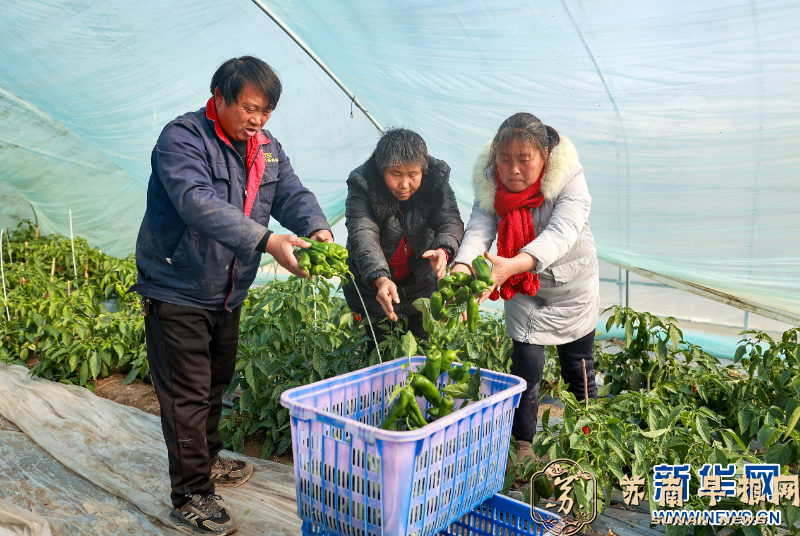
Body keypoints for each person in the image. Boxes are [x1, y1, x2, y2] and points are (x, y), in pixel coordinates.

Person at [129, 56, 332, 535]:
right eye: (249, 108)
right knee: (186, 395)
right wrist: (268, 241)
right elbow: (196, 202)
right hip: (177, 286)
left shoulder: (267, 148)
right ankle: (191, 495)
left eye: (266, 111)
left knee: (214, 385)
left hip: (227, 290)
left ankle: (208, 459)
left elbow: (291, 194)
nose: (257, 120)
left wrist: (317, 229)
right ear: (219, 96)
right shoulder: (183, 138)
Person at [451, 112, 599, 469]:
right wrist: (462, 266)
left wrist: (514, 264)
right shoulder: (489, 180)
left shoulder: (569, 178)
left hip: (570, 286)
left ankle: (589, 440)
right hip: (520, 284)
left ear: (544, 155)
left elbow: (561, 233)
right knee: (526, 369)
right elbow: (480, 227)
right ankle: (523, 445)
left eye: (524, 160)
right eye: (505, 159)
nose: (513, 170)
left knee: (578, 367)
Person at [343, 128, 464, 355]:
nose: (405, 184)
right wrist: (380, 279)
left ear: (423, 169)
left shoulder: (435, 180)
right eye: (396, 174)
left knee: (422, 353)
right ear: (380, 166)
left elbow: (449, 220)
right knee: (381, 354)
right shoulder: (363, 184)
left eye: (413, 174)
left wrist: (444, 249)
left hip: (420, 288)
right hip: (375, 291)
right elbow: (363, 232)